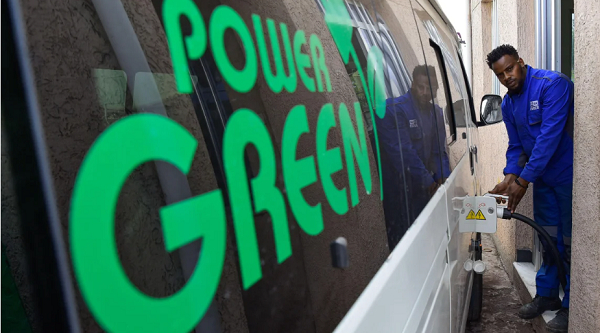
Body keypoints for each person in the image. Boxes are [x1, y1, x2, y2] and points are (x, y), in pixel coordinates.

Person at [486, 44, 574, 333]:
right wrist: (509, 178)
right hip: (542, 180)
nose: (507, 77)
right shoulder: (509, 104)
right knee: (547, 238)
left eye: (509, 68)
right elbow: (517, 147)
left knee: (570, 242)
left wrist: (522, 182)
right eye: (500, 74)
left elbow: (549, 138)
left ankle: (571, 306)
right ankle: (548, 295)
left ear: (521, 62)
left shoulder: (553, 85)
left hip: (566, 178)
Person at [376, 65, 451, 233]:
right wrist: (432, 185)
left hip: (425, 192)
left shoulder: (437, 113)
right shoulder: (392, 110)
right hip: (398, 194)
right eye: (421, 87)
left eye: (430, 89)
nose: (425, 92)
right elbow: (404, 154)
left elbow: (439, 152)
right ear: (412, 85)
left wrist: (444, 179)